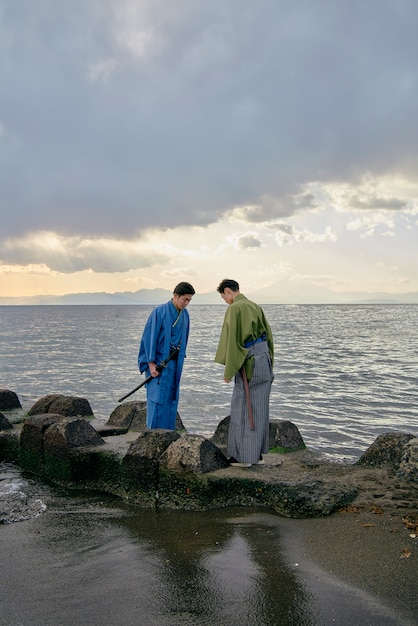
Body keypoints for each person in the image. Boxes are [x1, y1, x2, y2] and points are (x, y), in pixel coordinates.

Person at [214, 279, 274, 467]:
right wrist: (270, 360)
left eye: (224, 297)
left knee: (243, 405)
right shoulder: (255, 306)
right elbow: (269, 337)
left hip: (250, 361)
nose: (225, 301)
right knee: (260, 406)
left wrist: (229, 370)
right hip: (264, 358)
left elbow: (233, 341)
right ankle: (257, 454)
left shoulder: (235, 309)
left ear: (227, 291)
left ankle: (243, 457)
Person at [138, 282, 195, 429]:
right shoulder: (159, 312)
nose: (186, 303)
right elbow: (149, 338)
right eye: (185, 299)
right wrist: (151, 364)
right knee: (157, 399)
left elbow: (184, 338)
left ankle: (168, 435)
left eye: (189, 300)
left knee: (171, 399)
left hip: (174, 364)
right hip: (159, 364)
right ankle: (153, 437)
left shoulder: (185, 315)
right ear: (175, 296)